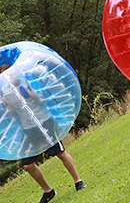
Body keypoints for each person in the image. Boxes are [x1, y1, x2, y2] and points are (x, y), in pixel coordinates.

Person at [0, 64, 86, 203]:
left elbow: (43, 100)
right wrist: (6, 103)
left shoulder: (27, 81)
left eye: (11, 73)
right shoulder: (5, 91)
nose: (10, 77)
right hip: (28, 129)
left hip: (44, 122)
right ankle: (48, 192)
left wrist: (29, 94)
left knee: (60, 153)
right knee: (27, 165)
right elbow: (11, 114)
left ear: (15, 71)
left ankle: (78, 181)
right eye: (6, 76)